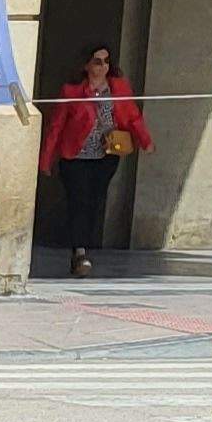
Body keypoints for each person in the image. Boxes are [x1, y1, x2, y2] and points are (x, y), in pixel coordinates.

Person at [40, 42, 150, 279]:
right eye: (97, 61)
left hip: (105, 156)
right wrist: (46, 159)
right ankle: (79, 252)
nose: (103, 66)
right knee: (78, 201)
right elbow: (56, 126)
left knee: (94, 201)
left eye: (106, 61)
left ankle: (83, 246)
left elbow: (132, 116)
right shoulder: (72, 91)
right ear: (86, 65)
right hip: (75, 156)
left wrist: (145, 140)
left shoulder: (118, 87)